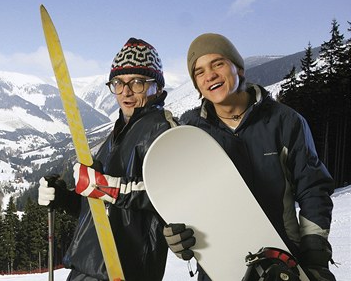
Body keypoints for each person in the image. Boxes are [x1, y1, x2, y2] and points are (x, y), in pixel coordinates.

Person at [164, 33, 336, 281]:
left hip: (281, 260)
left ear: (239, 68)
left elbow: (313, 190)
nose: (209, 75)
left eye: (218, 64)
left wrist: (316, 256)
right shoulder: (191, 130)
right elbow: (184, 194)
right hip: (219, 265)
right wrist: (180, 237)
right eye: (199, 72)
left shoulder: (284, 122)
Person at [38, 37, 177, 281]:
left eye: (137, 83)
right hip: (86, 265)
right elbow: (99, 204)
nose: (125, 92)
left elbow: (167, 194)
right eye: (118, 83)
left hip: (124, 270)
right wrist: (64, 198)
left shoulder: (163, 130)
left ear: (157, 87)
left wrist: (104, 186)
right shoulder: (119, 131)